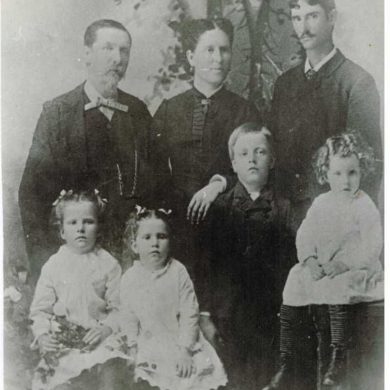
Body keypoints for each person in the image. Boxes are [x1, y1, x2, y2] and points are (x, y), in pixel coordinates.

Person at [19, 19, 153, 280]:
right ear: (88, 54)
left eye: (124, 50)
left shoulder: (138, 112)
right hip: (72, 262)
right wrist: (47, 270)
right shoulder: (57, 113)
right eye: (108, 48)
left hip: (129, 262)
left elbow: (157, 188)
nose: (117, 58)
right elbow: (32, 196)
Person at [263, 133, 384, 390]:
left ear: (362, 172)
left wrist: (344, 264)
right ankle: (286, 359)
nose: (346, 181)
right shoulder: (321, 203)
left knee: (339, 286)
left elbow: (373, 245)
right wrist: (309, 259)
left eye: (352, 173)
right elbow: (305, 234)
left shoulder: (364, 204)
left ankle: (338, 357)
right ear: (325, 174)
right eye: (338, 174)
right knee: (294, 279)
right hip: (324, 268)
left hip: (356, 268)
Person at [269, 0, 382, 230]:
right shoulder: (284, 83)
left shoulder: (357, 82)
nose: (303, 27)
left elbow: (368, 166)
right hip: (284, 217)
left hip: (334, 221)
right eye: (297, 18)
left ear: (331, 18)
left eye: (312, 16)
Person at [200, 123, 296, 389]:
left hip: (272, 314)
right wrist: (206, 314)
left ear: (273, 160)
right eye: (243, 154)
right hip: (229, 317)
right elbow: (207, 265)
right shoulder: (219, 208)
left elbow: (292, 263)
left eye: (260, 152)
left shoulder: (284, 208)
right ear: (232, 163)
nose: (252, 159)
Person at [30, 190, 130, 390]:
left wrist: (107, 328)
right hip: (65, 342)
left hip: (99, 338)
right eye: (73, 223)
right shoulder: (53, 265)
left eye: (88, 222)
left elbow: (121, 307)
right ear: (62, 231)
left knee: (112, 371)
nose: (81, 229)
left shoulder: (108, 263)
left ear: (99, 228)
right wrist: (42, 335)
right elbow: (40, 310)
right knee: (60, 381)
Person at [120, 208, 228, 390]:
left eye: (161, 237)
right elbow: (128, 316)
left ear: (170, 242)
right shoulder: (129, 278)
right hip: (148, 343)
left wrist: (185, 350)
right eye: (147, 237)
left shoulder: (178, 272)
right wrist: (132, 346)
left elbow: (189, 313)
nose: (155, 243)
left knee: (188, 378)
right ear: (134, 245)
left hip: (180, 340)